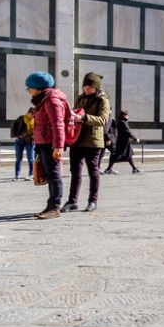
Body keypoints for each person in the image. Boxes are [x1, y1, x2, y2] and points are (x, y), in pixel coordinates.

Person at [62, 72, 110, 213]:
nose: (86, 89)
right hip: (77, 139)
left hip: (93, 141)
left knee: (93, 171)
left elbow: (103, 120)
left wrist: (83, 118)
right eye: (84, 87)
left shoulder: (103, 100)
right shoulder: (80, 98)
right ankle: (72, 201)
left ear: (96, 87)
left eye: (89, 87)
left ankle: (93, 201)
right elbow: (75, 113)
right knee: (75, 171)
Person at [26, 72, 68, 219]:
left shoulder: (52, 100)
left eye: (29, 88)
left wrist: (58, 146)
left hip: (51, 143)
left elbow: (58, 124)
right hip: (43, 142)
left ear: (38, 87)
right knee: (50, 176)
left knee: (54, 175)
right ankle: (50, 206)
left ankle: (55, 207)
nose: (28, 91)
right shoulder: (43, 99)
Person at [105, 110, 140, 175]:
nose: (128, 116)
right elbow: (127, 132)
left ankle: (134, 168)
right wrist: (135, 138)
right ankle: (108, 168)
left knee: (129, 155)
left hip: (126, 142)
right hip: (123, 143)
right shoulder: (122, 122)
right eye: (127, 115)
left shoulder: (124, 122)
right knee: (117, 155)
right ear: (124, 115)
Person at [10, 106, 35, 181]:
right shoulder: (21, 118)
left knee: (30, 158)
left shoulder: (35, 120)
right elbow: (13, 126)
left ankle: (31, 174)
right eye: (32, 114)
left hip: (30, 141)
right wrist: (16, 136)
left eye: (34, 115)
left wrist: (34, 137)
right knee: (18, 159)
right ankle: (16, 176)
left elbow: (37, 130)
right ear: (29, 112)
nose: (32, 116)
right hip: (20, 140)